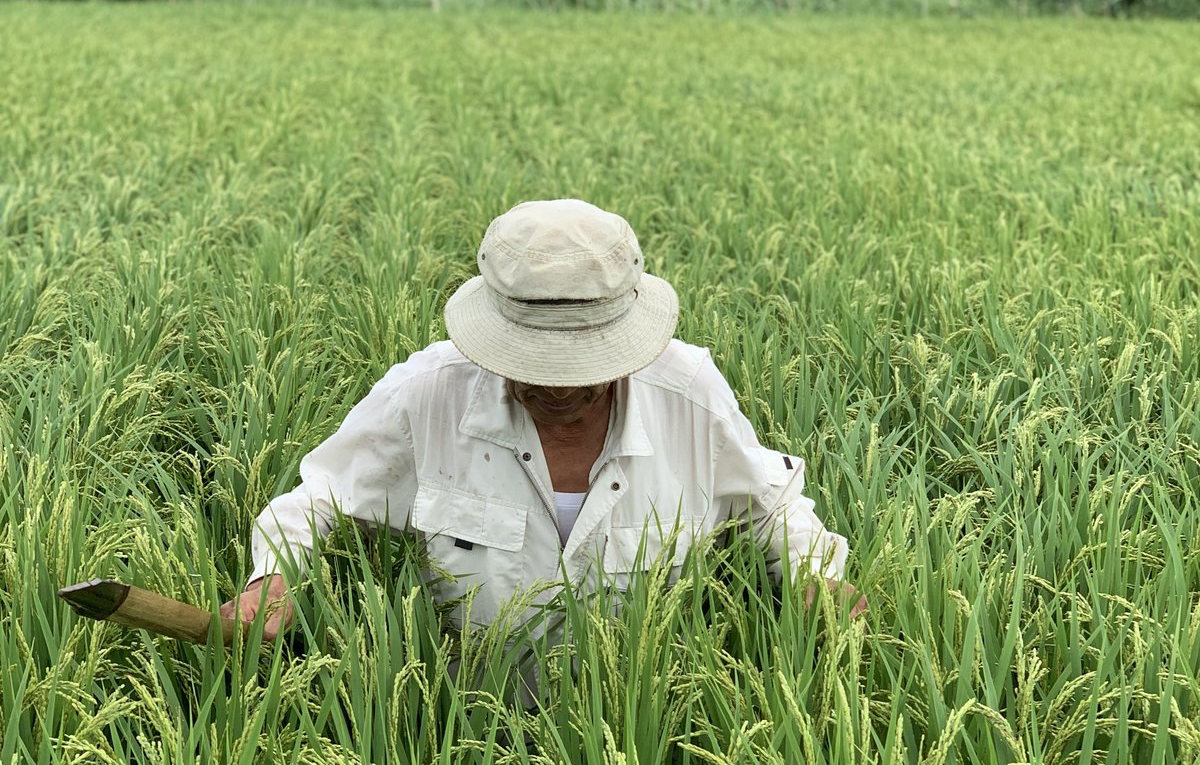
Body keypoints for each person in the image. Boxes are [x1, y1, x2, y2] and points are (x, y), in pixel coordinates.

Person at [220, 198, 867, 641]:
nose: (558, 386)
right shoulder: (428, 393)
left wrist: (815, 577)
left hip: (641, 738)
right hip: (462, 734)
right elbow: (322, 494)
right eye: (533, 363)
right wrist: (271, 576)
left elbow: (770, 500)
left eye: (580, 367)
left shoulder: (689, 394)